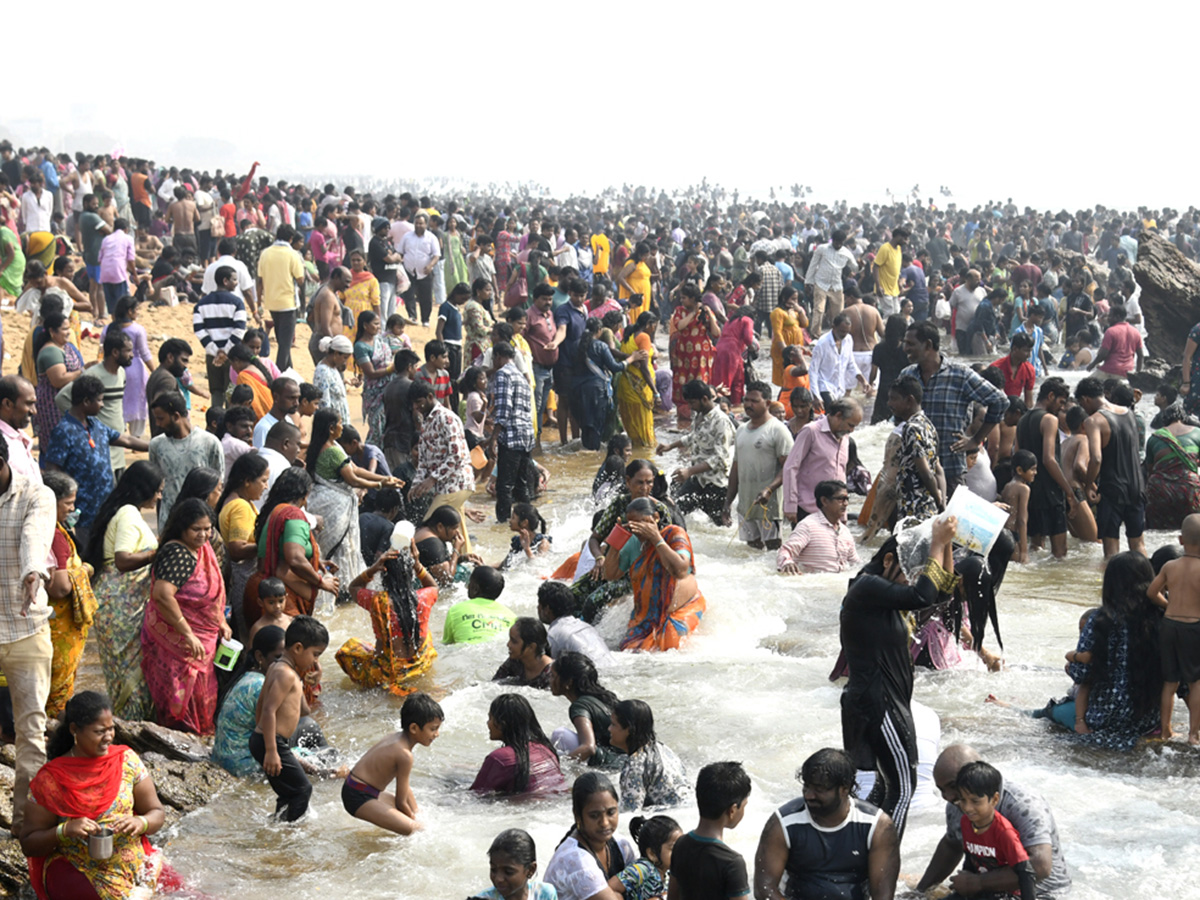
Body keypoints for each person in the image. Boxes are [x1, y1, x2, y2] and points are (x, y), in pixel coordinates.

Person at [840, 516, 959, 839]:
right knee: (902, 789)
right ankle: (883, 866)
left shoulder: (881, 593)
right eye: (911, 572)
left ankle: (863, 859)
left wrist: (944, 543)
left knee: (878, 788)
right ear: (889, 560)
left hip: (872, 701)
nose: (914, 581)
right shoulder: (867, 586)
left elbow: (939, 593)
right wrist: (936, 542)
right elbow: (922, 596)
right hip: (880, 704)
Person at [20, 691, 168, 900]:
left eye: (111, 729)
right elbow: (28, 843)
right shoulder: (50, 780)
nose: (108, 737)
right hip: (79, 868)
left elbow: (157, 812)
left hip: (134, 860)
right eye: (99, 731)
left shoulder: (126, 760)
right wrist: (64, 830)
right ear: (74, 730)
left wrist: (141, 822)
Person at [918, 744, 1071, 899]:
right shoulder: (958, 804)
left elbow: (1040, 866)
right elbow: (951, 845)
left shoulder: (1022, 804)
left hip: (1042, 892)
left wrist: (977, 883)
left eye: (952, 786)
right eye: (941, 790)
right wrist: (919, 893)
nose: (948, 797)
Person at [0, 429, 56, 834]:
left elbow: (34, 537)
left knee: (31, 733)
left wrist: (33, 572)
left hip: (25, 627)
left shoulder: (36, 494)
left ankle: (25, 828)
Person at [753, 747, 899, 900]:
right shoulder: (783, 823)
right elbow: (764, 890)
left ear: (844, 789)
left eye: (819, 789)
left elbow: (883, 896)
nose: (809, 795)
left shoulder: (877, 826)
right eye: (806, 786)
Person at [139, 498, 229, 735]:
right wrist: (187, 634)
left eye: (207, 528)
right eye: (196, 529)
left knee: (202, 692)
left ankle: (200, 737)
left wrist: (221, 621)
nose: (204, 535)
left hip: (201, 637)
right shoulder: (178, 554)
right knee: (183, 698)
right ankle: (181, 741)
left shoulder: (201, 550)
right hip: (177, 640)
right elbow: (162, 595)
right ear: (182, 528)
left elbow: (211, 593)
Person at [1067, 552, 1161, 750]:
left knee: (1052, 711)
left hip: (1101, 720)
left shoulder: (1099, 619)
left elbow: (1080, 674)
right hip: (1146, 722)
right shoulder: (1160, 618)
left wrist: (1072, 660)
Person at [40, 376, 148, 548]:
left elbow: (126, 440)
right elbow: (53, 471)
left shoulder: (96, 425)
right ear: (85, 402)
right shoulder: (64, 431)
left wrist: (153, 446)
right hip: (82, 513)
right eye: (99, 400)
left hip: (105, 508)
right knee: (86, 553)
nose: (102, 405)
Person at [900, 321, 1009, 490]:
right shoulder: (907, 375)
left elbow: (1000, 401)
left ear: (928, 345)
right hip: (914, 471)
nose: (905, 348)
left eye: (910, 344)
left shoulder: (960, 374)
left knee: (951, 516)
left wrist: (975, 440)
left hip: (950, 468)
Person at [305, 408, 399, 593]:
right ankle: (342, 588)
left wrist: (384, 479)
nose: (343, 427)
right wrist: (381, 485)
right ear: (331, 428)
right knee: (340, 547)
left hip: (323, 502)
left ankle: (334, 585)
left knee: (331, 548)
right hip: (335, 507)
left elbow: (355, 469)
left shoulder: (325, 446)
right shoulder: (332, 451)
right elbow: (353, 479)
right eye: (340, 423)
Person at [335, 532, 439, 695]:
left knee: (349, 648)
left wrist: (372, 568)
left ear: (384, 574)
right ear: (410, 573)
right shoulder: (423, 598)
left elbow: (353, 588)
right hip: (420, 666)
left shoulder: (377, 601)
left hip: (385, 675)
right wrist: (417, 564)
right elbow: (434, 587)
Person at [251, 615, 329, 822]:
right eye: (315, 655)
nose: (315, 662)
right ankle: (290, 832)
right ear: (297, 648)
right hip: (271, 742)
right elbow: (268, 710)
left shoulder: (281, 669)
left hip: (270, 741)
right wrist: (271, 750)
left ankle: (278, 824)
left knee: (289, 792)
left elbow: (304, 711)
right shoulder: (285, 673)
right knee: (303, 789)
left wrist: (305, 683)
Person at [604, 497, 705, 652]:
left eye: (643, 522)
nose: (639, 529)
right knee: (629, 649)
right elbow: (609, 574)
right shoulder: (633, 542)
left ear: (656, 518)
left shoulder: (674, 534)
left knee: (669, 647)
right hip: (646, 618)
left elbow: (681, 570)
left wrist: (656, 539)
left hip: (682, 609)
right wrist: (617, 539)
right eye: (634, 525)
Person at [342, 691, 442, 835]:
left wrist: (417, 812)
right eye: (433, 729)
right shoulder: (405, 755)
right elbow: (401, 802)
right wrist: (414, 821)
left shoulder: (396, 738)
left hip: (356, 788)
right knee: (416, 831)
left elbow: (405, 788)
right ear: (414, 728)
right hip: (358, 797)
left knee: (416, 819)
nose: (437, 734)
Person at [245, 468, 337, 623]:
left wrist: (315, 562)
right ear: (305, 493)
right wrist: (322, 582)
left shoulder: (274, 512)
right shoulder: (293, 515)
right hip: (278, 596)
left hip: (259, 588)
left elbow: (278, 550)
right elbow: (294, 557)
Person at [41, 471, 96, 719]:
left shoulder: (47, 528)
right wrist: (83, 570)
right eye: (69, 503)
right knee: (56, 688)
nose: (73, 509)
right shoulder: (54, 535)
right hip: (59, 626)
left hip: (49, 624)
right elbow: (60, 586)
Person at [1075, 376, 1145, 558]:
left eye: (1083, 406)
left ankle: (1114, 585)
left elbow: (1096, 458)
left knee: (1111, 546)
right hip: (1137, 485)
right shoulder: (1128, 413)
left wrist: (1089, 483)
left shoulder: (1093, 421)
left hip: (1113, 488)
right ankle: (1147, 583)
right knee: (1137, 542)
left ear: (1085, 399)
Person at [1147, 515, 1200, 744]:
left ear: (1180, 540)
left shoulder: (1170, 566)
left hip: (1169, 625)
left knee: (1170, 683)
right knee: (1196, 682)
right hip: (1193, 626)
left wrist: (1170, 606)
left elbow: (1151, 593)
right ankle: (1193, 733)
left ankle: (1166, 731)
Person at [544, 772, 638, 900]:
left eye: (611, 812)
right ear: (577, 815)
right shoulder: (576, 859)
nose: (604, 823)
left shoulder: (622, 845)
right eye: (594, 815)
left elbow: (646, 883)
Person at [409, 379, 477, 552]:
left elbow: (457, 455)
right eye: (414, 404)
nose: (416, 407)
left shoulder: (447, 418)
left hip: (457, 483)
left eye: (419, 402)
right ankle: (467, 561)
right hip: (445, 486)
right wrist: (416, 484)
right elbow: (424, 461)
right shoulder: (426, 423)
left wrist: (431, 480)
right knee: (457, 531)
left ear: (430, 397)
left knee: (430, 527)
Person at [668, 761, 752, 900]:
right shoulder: (732, 863)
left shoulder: (680, 845)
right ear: (732, 810)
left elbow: (672, 897)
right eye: (743, 806)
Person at [212, 625, 287, 777]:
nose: (284, 663)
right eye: (278, 658)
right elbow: (276, 741)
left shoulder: (249, 676)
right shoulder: (260, 686)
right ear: (260, 657)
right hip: (242, 764)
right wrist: (320, 771)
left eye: (286, 657)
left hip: (224, 756)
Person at [1014, 378, 1076, 558]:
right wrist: (1069, 492)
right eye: (1061, 402)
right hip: (1050, 492)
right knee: (1060, 553)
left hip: (1030, 490)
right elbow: (1049, 459)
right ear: (1050, 396)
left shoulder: (1023, 419)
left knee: (1036, 547)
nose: (1062, 408)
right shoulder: (1049, 419)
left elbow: (1017, 455)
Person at [148, 391, 224, 530]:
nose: (158, 424)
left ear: (176, 416)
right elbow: (157, 488)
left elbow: (218, 483)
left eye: (161, 418)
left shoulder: (209, 442)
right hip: (169, 521)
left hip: (200, 522)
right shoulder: (157, 445)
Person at [782, 398, 863, 523]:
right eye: (850, 425)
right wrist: (790, 505)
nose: (852, 430)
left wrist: (843, 513)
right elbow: (791, 467)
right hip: (807, 509)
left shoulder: (845, 438)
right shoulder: (811, 431)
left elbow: (841, 475)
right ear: (838, 415)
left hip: (834, 512)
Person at [472, 693, 564, 795]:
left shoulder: (499, 758)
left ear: (502, 724)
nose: (487, 723)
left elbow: (476, 795)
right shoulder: (546, 750)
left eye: (490, 718)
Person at [609, 699, 687, 812]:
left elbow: (630, 814)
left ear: (629, 730)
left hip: (671, 817)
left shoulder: (634, 766)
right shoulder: (664, 748)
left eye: (613, 724)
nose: (609, 729)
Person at [550, 652, 624, 767]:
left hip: (610, 764)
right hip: (624, 760)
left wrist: (557, 768)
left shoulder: (579, 706)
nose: (549, 680)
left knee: (560, 735)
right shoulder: (603, 697)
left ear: (568, 682)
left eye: (553, 676)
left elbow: (588, 747)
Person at [492, 341, 537, 521]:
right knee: (522, 485)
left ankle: (503, 523)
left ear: (498, 356)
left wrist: (493, 437)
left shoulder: (503, 374)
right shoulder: (522, 377)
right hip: (526, 435)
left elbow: (504, 409)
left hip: (511, 435)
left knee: (504, 485)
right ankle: (528, 522)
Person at [776, 480, 861, 574]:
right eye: (841, 499)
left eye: (847, 499)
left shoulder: (845, 531)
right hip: (812, 584)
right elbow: (785, 551)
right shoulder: (808, 526)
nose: (845, 504)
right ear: (824, 501)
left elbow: (855, 564)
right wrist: (787, 563)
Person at [193, 264, 247, 408]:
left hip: (212, 356)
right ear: (225, 281)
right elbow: (239, 330)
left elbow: (199, 330)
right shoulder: (237, 303)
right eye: (234, 280)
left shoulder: (201, 304)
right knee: (230, 391)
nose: (236, 283)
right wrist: (225, 352)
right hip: (232, 357)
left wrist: (215, 351)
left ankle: (216, 420)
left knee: (216, 391)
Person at [1144, 402, 1200, 529]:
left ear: (1164, 419)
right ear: (1185, 418)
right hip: (1189, 489)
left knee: (1158, 530)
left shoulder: (1155, 437)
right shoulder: (1197, 433)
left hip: (1160, 490)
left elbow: (1150, 469)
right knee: (1193, 529)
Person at [34, 311, 84, 452]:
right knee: (58, 446)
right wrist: (82, 371)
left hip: (67, 402)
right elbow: (58, 380)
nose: (69, 332)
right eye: (64, 329)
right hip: (54, 406)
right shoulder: (51, 351)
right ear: (52, 331)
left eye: (69, 328)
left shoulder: (64, 347)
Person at [256, 224, 305, 371]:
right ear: (291, 239)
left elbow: (259, 280)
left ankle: (288, 370)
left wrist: (259, 302)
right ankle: (278, 373)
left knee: (282, 339)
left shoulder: (265, 253)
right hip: (288, 302)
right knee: (285, 343)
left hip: (271, 301)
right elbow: (301, 279)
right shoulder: (292, 254)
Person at [669, 284, 721, 419]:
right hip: (683, 354)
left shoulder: (705, 312)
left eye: (684, 298)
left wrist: (709, 313)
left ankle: (702, 412)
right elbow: (680, 326)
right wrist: (693, 313)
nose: (681, 300)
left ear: (692, 299)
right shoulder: (680, 311)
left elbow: (716, 333)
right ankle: (684, 414)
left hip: (701, 355)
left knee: (700, 383)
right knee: (682, 382)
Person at [538, 582, 616, 668]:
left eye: (539, 605)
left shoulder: (553, 635)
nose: (537, 608)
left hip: (593, 675)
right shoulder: (585, 626)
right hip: (612, 666)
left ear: (547, 609)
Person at [609, 815, 682, 900]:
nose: (680, 852)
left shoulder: (669, 873)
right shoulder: (643, 869)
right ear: (652, 854)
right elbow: (609, 889)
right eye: (673, 848)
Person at [616, 312, 660, 449]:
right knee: (645, 433)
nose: (654, 329)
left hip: (625, 386)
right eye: (654, 325)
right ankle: (646, 457)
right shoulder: (644, 337)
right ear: (648, 324)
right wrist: (655, 392)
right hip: (639, 389)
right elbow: (644, 368)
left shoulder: (628, 334)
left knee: (632, 426)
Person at [352, 309, 396, 443]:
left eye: (379, 324)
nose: (378, 327)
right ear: (365, 326)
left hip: (389, 387)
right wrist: (391, 369)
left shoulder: (381, 340)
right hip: (374, 392)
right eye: (375, 324)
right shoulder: (360, 346)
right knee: (377, 427)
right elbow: (370, 372)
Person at [808, 314, 868, 410]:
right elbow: (813, 371)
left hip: (839, 388)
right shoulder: (822, 344)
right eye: (842, 331)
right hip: (824, 386)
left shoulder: (848, 339)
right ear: (833, 327)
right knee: (834, 413)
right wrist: (815, 396)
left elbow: (850, 364)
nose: (844, 334)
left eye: (847, 332)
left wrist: (863, 380)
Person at [444, 566, 516, 645]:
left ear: (475, 589)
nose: (467, 586)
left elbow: (447, 643)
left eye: (470, 582)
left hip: (464, 652)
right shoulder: (512, 616)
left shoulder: (455, 610)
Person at [710, 307, 760, 405]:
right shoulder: (747, 320)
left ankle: (732, 405)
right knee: (732, 381)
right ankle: (730, 404)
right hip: (732, 350)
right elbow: (748, 338)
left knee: (728, 378)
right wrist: (752, 348)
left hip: (720, 348)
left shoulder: (730, 321)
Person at [493, 617, 555, 689]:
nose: (508, 644)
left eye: (514, 641)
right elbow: (493, 685)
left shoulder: (551, 674)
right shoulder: (515, 661)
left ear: (531, 647)